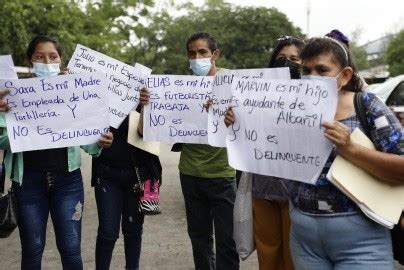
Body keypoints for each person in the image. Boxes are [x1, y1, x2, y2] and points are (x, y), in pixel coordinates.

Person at [286, 37, 404, 269]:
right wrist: (234, 120)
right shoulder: (290, 105)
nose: (313, 77)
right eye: (306, 70)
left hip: (362, 242)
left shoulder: (367, 104)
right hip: (304, 240)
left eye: (322, 69)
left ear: (345, 75)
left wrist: (350, 148)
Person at [0, 35, 113, 270]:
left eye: (52, 57)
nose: (46, 62)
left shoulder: (72, 91)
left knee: (71, 250)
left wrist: (100, 142)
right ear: (30, 61)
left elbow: (87, 141)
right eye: (39, 57)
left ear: (61, 61)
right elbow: (2, 140)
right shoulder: (12, 95)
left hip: (67, 182)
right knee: (32, 250)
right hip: (28, 182)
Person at [224, 35, 304, 270]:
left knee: (294, 255)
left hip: (297, 192)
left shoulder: (314, 96)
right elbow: (242, 134)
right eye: (280, 58)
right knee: (268, 254)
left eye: (293, 59)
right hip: (263, 187)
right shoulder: (255, 94)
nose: (286, 63)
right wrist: (232, 120)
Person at [179, 32, 239, 270]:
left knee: (227, 240)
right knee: (199, 238)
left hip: (222, 174)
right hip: (190, 172)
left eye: (202, 52)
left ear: (215, 54)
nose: (197, 57)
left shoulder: (233, 83)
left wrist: (229, 115)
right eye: (192, 53)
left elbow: (249, 124)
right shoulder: (182, 87)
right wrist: (148, 104)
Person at [91, 87, 162, 270]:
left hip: (137, 177)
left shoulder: (146, 101)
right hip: (106, 175)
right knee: (108, 232)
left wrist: (145, 106)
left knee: (133, 229)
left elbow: (145, 133)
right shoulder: (101, 101)